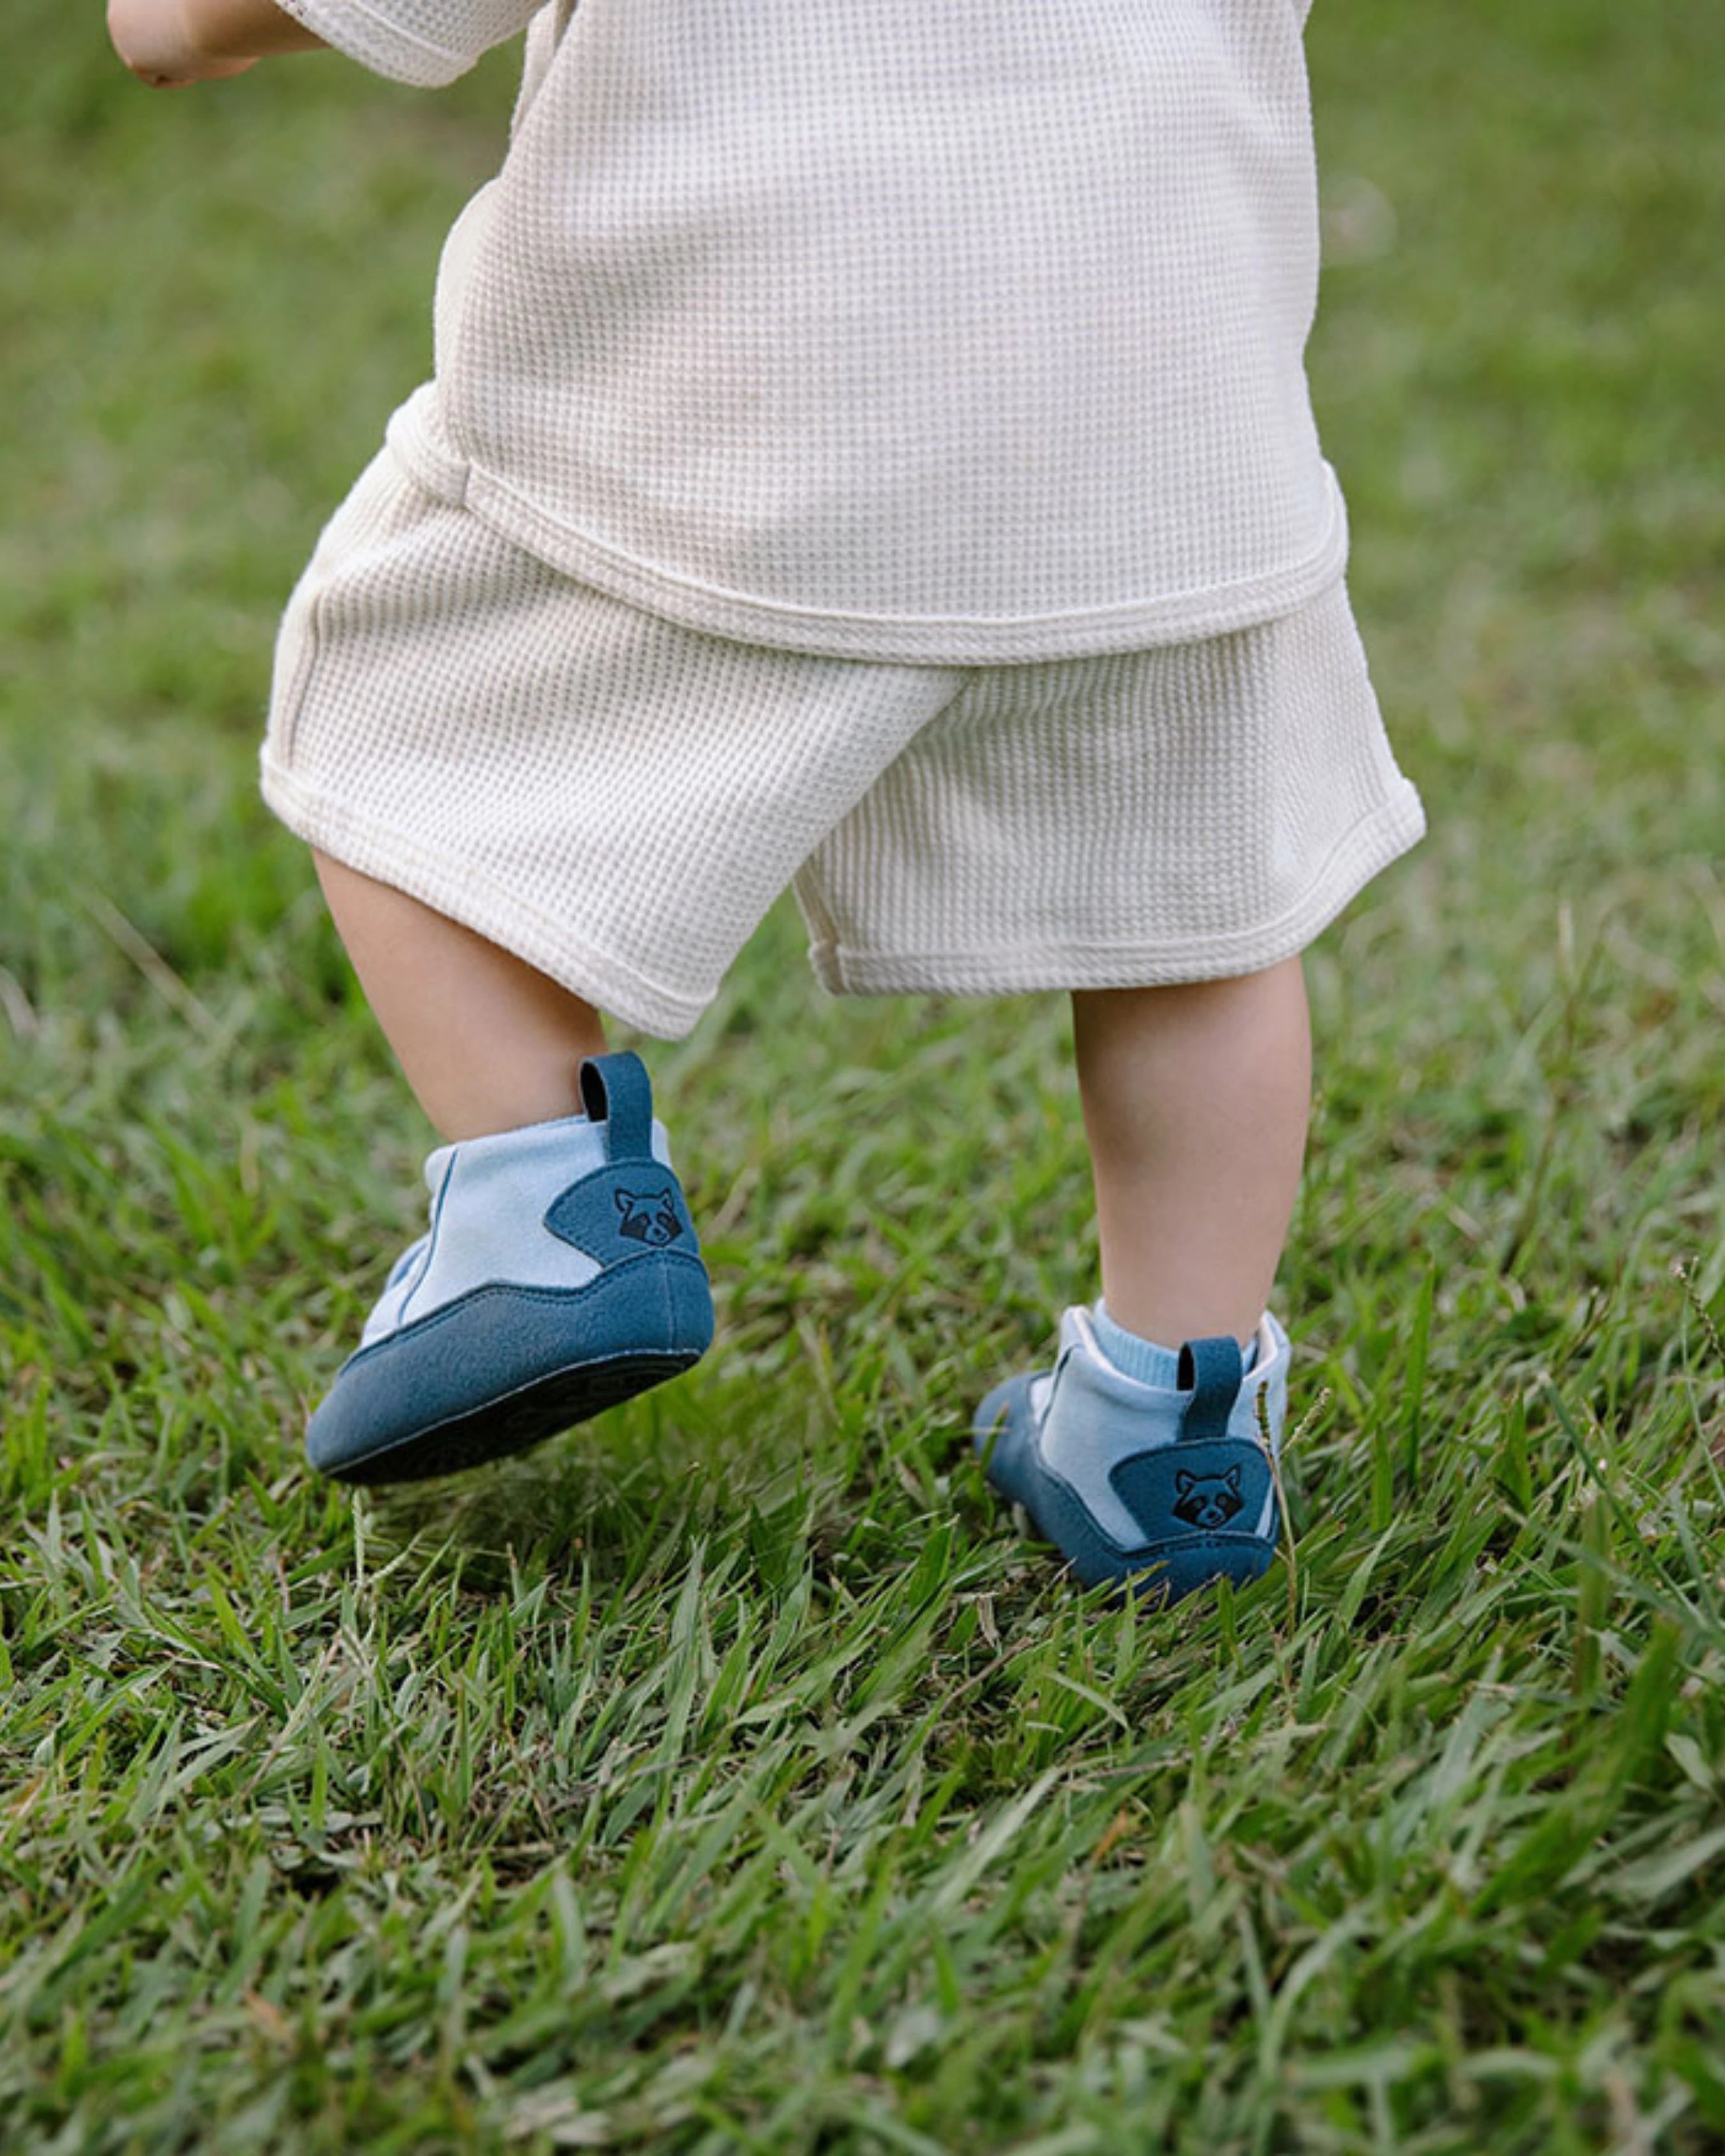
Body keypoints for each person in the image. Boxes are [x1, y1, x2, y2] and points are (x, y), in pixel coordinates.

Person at [107, 0, 1425, 1598]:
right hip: (1170, 439)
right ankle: (1175, 1434)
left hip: (753, 398)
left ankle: (550, 1194)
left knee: (391, 706)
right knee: (1199, 918)